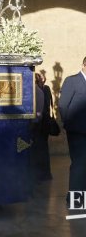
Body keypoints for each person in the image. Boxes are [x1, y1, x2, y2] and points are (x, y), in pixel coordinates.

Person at [59, 56, 86, 204]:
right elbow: (63, 105)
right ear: (83, 65)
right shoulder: (72, 81)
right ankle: (76, 201)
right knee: (79, 164)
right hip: (77, 131)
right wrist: (68, 122)